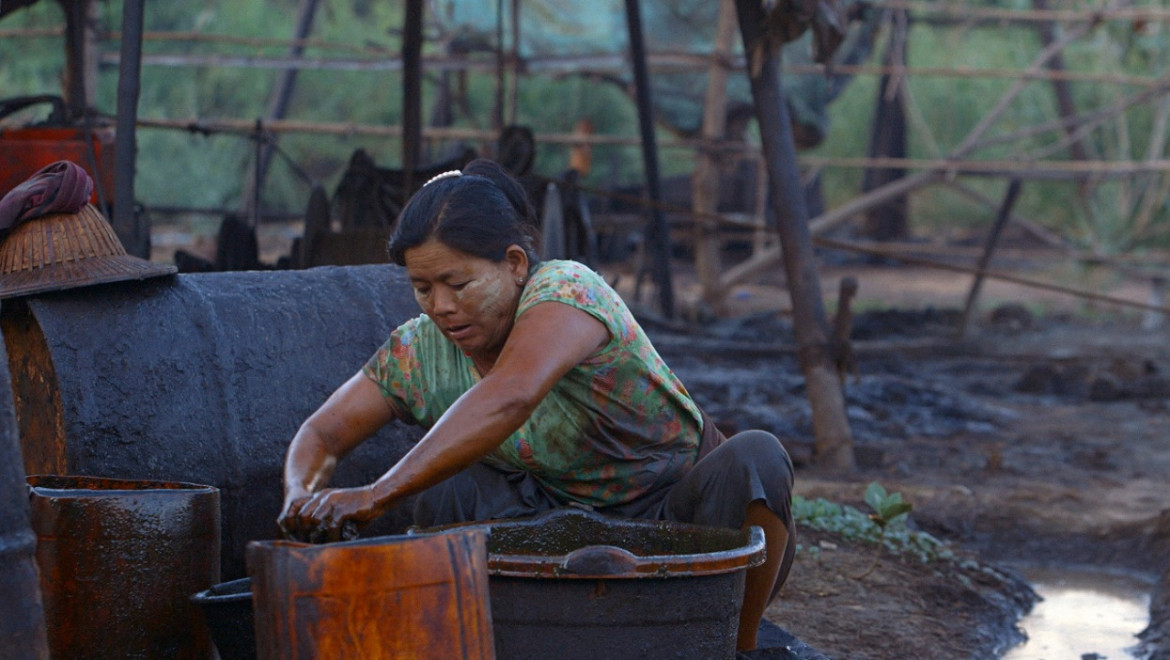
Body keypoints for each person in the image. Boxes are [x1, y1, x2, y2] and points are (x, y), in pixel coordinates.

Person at [277, 158, 796, 652]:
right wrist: (300, 495)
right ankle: (479, 638)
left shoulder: (567, 291)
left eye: (458, 284)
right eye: (422, 288)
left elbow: (512, 394)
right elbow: (324, 434)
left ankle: (737, 645)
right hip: (549, 524)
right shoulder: (420, 350)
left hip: (676, 519)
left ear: (515, 264)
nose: (441, 306)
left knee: (758, 457)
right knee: (447, 493)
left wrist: (375, 494)